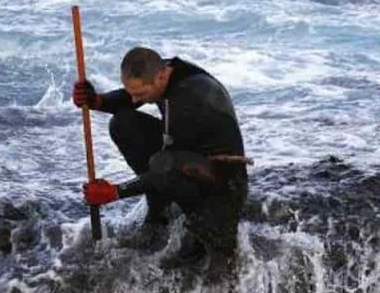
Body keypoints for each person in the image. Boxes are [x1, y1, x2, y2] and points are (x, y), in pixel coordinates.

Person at [72, 47, 249, 264]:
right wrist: (97, 101)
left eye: (140, 95)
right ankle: (160, 206)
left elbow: (166, 166)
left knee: (201, 253)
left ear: (161, 76)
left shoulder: (189, 100)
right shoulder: (163, 72)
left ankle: (183, 213)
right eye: (132, 93)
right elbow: (129, 98)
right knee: (122, 123)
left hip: (222, 183)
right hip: (188, 157)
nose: (135, 99)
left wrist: (116, 192)